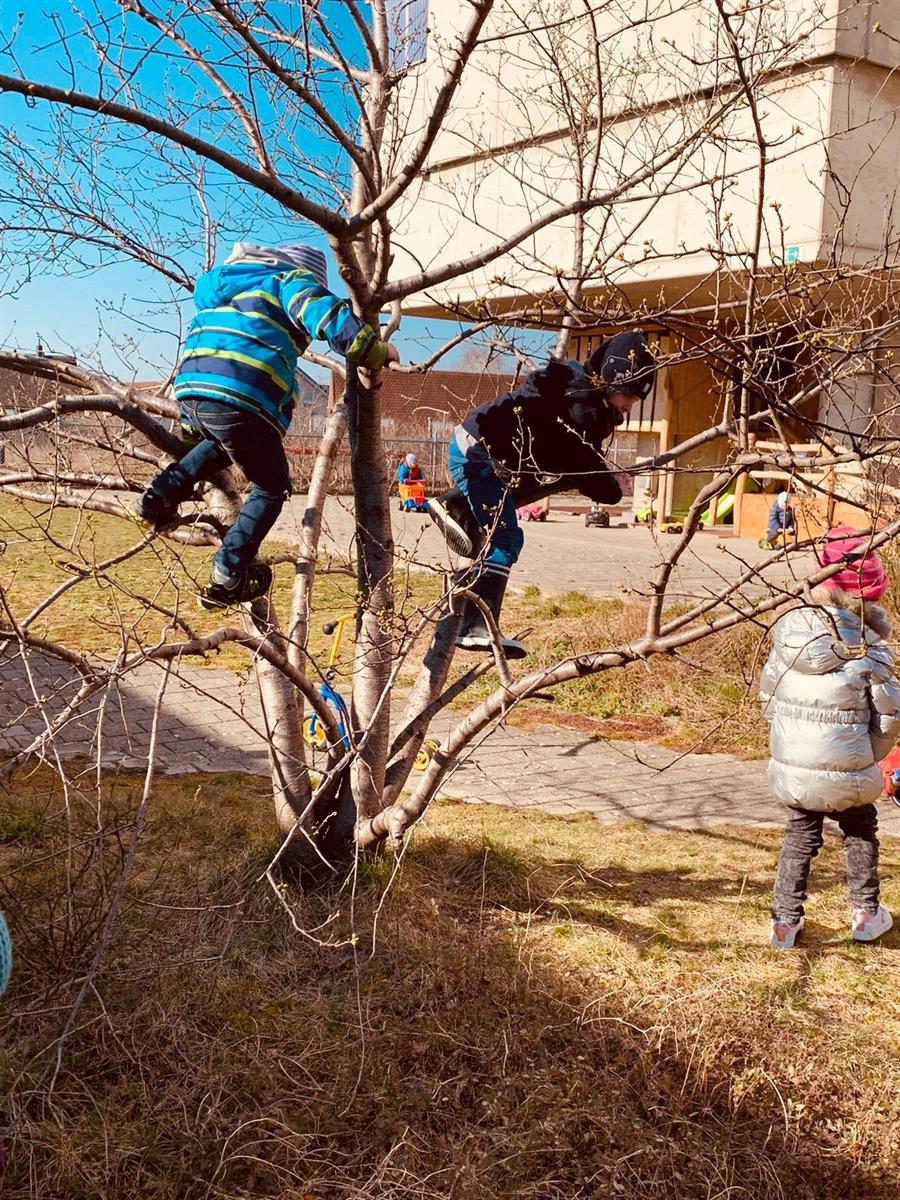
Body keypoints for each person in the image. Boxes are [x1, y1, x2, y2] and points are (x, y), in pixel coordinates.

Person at [132, 241, 399, 609]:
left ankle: (157, 497)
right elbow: (324, 313)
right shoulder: (286, 281)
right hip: (240, 394)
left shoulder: (226, 292)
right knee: (272, 486)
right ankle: (228, 572)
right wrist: (373, 349)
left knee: (220, 445)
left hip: (192, 393)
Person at [428, 332, 655, 658]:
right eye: (629, 397)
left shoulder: (586, 402)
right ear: (610, 380)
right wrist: (610, 487)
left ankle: (456, 507)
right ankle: (472, 627)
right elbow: (581, 462)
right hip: (478, 455)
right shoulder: (582, 406)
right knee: (506, 541)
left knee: (493, 526)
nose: (631, 406)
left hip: (486, 454)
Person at [761, 526, 899, 949]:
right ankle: (865, 913)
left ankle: (784, 922)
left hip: (794, 765)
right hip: (851, 767)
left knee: (800, 834)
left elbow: (769, 696)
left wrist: (787, 742)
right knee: (860, 830)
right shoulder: (870, 646)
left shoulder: (790, 633)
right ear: (871, 593)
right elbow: (889, 716)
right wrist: (867, 757)